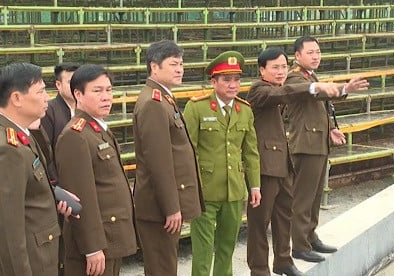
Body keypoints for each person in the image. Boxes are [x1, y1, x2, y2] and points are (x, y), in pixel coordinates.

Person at [246, 47, 346, 276]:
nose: (281, 72)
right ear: (262, 70)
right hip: (264, 167)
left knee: (283, 217)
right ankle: (259, 270)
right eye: (275, 67)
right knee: (260, 224)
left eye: (283, 66)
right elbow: (285, 94)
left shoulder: (277, 88)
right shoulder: (260, 90)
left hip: (283, 164)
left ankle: (284, 261)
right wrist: (314, 87)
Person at [0, 62, 77, 276]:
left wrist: (53, 195)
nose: (46, 98)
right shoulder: (5, 149)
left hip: (38, 255)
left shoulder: (16, 132)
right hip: (29, 263)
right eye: (40, 92)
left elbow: (29, 183)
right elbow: (9, 233)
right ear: (17, 99)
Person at [284, 36, 369, 263]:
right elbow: (312, 92)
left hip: (319, 142)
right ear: (297, 55)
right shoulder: (294, 77)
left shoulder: (310, 75)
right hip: (305, 145)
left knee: (315, 195)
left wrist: (331, 127)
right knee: (303, 197)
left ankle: (311, 236)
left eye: (318, 52)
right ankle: (300, 245)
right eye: (310, 52)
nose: (316, 56)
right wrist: (343, 88)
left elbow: (317, 107)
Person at [183, 51, 261, 276]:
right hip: (205, 190)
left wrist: (254, 185)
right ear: (213, 81)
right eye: (226, 79)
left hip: (234, 190)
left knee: (227, 246)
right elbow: (189, 152)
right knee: (203, 249)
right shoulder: (197, 108)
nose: (233, 85)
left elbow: (251, 152)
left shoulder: (244, 110)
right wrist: (191, 189)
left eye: (236, 79)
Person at [55, 64, 137, 276]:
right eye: (97, 91)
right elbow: (80, 197)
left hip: (110, 237)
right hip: (95, 244)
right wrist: (92, 247)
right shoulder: (76, 135)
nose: (106, 97)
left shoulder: (97, 129)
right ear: (78, 94)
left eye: (109, 90)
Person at [133, 40, 205, 276]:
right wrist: (172, 207)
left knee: (166, 265)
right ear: (154, 67)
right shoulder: (153, 103)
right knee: (162, 268)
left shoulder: (163, 98)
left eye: (182, 64)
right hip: (158, 207)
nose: (180, 69)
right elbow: (159, 162)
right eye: (174, 64)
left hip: (162, 204)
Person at [41, 62, 79, 183]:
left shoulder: (84, 108)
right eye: (69, 82)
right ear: (58, 84)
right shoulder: (49, 111)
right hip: (61, 179)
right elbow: (46, 153)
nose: (75, 86)